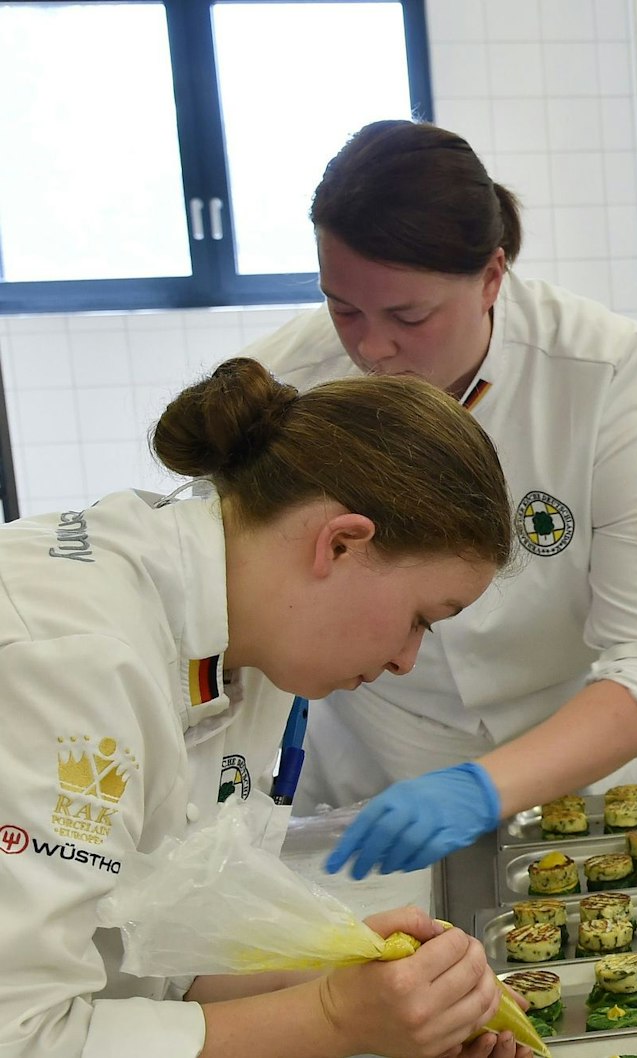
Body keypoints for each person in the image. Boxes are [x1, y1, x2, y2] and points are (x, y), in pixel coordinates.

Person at [0, 358, 530, 1058]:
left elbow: (148, 955)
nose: (407, 659)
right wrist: (335, 1018)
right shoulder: (70, 663)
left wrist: (348, 975)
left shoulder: (252, 629)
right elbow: (23, 1034)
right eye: (422, 618)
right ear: (341, 543)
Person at [243, 120, 637, 879]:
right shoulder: (288, 381)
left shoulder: (605, 374)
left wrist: (482, 788)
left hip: (580, 764)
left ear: (493, 277)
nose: (372, 349)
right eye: (344, 308)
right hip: (375, 777)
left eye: (408, 316)